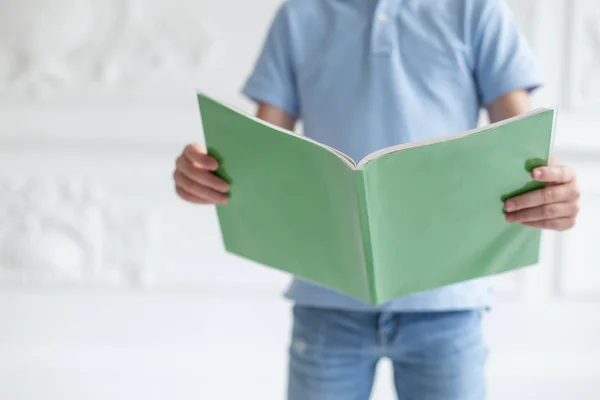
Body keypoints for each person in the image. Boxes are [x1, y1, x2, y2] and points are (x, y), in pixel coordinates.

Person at [173, 0, 581, 398]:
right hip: (326, 301)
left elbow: (522, 150)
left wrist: (554, 195)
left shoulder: (477, 10)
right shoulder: (299, 14)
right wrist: (205, 175)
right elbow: (262, 158)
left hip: (448, 306)